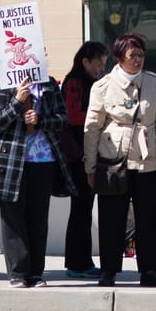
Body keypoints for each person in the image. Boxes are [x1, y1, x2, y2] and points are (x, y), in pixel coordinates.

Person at [83, 31, 156, 288]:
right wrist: (90, 166)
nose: (138, 60)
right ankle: (109, 270)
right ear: (119, 57)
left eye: (141, 55)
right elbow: (92, 128)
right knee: (112, 218)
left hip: (147, 160)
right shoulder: (102, 86)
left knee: (147, 218)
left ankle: (150, 271)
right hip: (114, 160)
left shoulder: (152, 83)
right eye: (133, 55)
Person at [0, 67, 77, 288]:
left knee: (37, 219)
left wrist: (41, 119)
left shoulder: (50, 84)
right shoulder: (5, 83)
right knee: (13, 218)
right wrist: (17, 101)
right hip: (10, 161)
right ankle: (17, 272)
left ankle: (35, 273)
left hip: (43, 161)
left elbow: (62, 119)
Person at [60, 40, 109, 279]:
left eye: (104, 63)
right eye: (98, 63)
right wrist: (101, 116)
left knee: (84, 209)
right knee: (81, 208)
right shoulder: (75, 83)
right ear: (85, 61)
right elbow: (73, 116)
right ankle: (77, 263)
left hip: (86, 152)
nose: (101, 68)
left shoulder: (91, 83)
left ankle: (82, 261)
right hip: (77, 154)